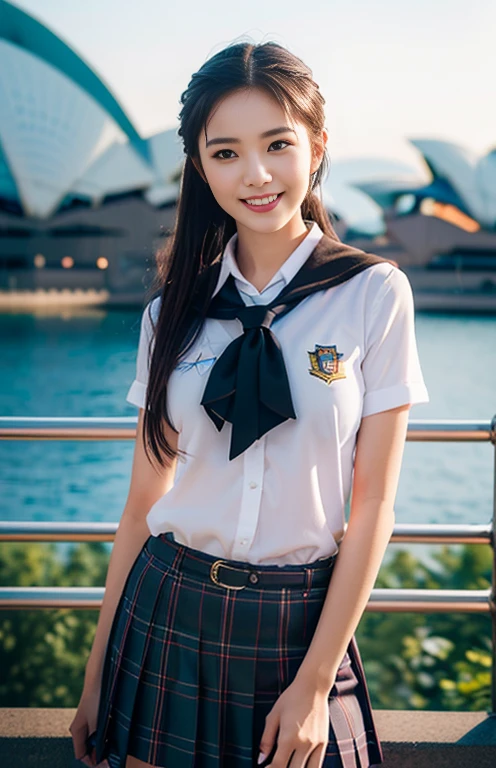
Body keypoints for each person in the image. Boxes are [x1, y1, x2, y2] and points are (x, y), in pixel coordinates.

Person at [70, 40, 429, 768]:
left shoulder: (372, 294)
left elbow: (374, 508)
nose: (256, 175)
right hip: (168, 608)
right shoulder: (171, 312)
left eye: (277, 145)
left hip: (302, 624)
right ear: (199, 167)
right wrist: (97, 668)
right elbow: (143, 503)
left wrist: (314, 682)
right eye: (226, 152)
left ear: (318, 147)